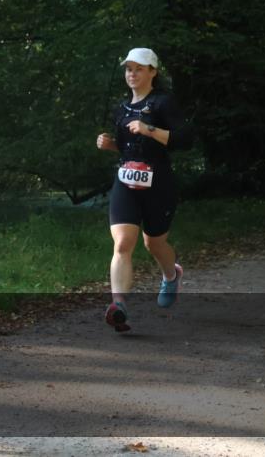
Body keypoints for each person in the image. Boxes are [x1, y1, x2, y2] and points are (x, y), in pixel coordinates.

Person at [96, 48, 192, 333]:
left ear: (153, 72)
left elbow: (185, 139)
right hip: (126, 180)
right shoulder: (121, 108)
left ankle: (170, 274)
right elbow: (126, 146)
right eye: (128, 69)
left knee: (154, 243)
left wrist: (149, 129)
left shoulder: (163, 103)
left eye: (139, 69)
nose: (132, 74)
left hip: (158, 181)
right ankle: (118, 305)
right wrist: (110, 144)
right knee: (123, 243)